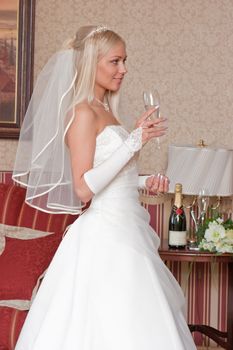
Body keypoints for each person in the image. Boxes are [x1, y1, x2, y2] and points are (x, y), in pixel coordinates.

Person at [13, 25, 196, 349]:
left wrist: (144, 181)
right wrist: (134, 141)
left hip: (128, 228)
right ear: (91, 63)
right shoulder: (82, 112)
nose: (123, 69)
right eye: (115, 61)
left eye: (124, 61)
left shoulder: (106, 111)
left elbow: (115, 176)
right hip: (106, 235)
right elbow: (84, 188)